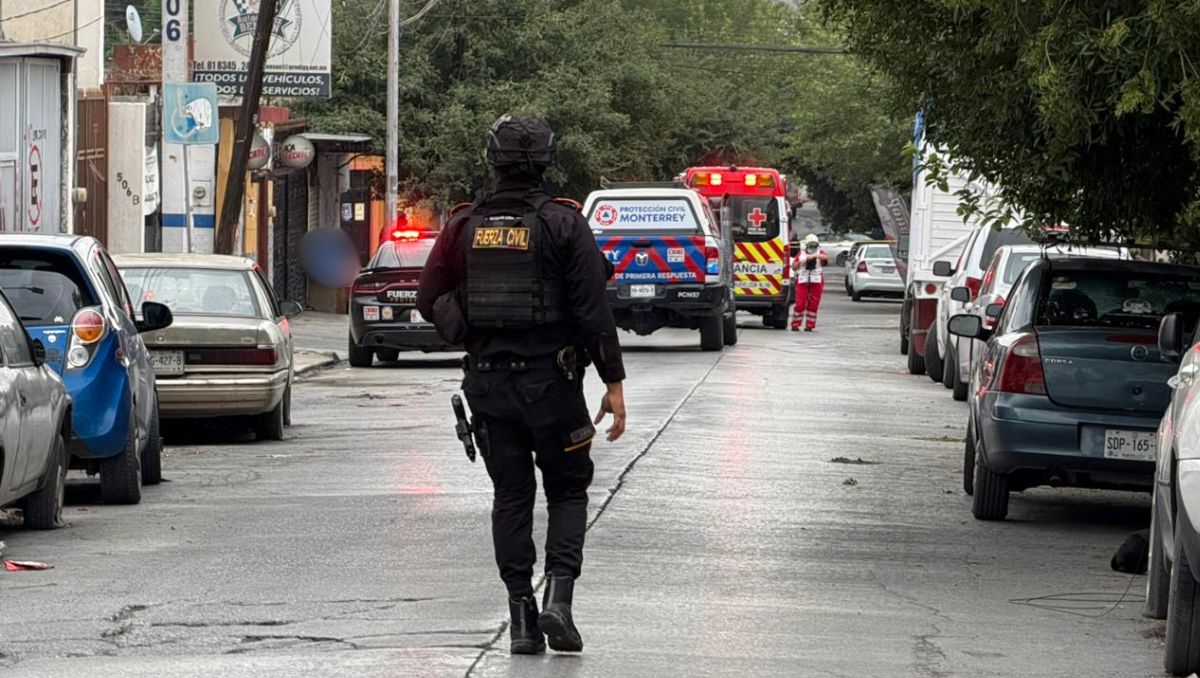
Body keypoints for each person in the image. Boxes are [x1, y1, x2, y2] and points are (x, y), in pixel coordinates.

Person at [416, 114, 627, 656]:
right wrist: (613, 383)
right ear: (546, 163)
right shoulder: (565, 223)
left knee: (510, 496)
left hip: (489, 390)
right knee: (568, 488)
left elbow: (426, 300)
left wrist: (468, 325)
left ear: (492, 160)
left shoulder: (463, 226)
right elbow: (593, 311)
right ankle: (559, 598)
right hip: (554, 388)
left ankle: (522, 622)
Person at [792, 234, 828, 331]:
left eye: (814, 245)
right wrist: (801, 261)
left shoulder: (820, 253)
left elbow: (825, 258)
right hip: (802, 281)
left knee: (813, 304)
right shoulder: (801, 255)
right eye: (811, 246)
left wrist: (815, 256)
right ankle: (795, 324)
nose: (812, 248)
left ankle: (810, 325)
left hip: (816, 281)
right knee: (800, 304)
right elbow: (794, 267)